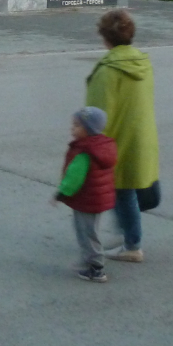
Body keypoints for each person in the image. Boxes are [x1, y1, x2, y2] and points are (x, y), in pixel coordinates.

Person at [86, 9, 158, 263]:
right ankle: (126, 233)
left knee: (122, 191)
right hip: (142, 135)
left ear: (105, 38)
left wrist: (90, 148)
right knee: (127, 190)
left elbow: (98, 114)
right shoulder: (142, 62)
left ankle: (132, 245)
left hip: (119, 140)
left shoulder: (108, 70)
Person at [52, 106, 118, 282]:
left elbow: (74, 178)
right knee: (90, 230)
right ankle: (89, 261)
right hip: (97, 198)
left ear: (89, 129)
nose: (72, 129)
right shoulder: (101, 146)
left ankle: (96, 267)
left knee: (86, 233)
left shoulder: (85, 152)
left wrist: (60, 193)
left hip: (87, 198)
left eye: (76, 125)